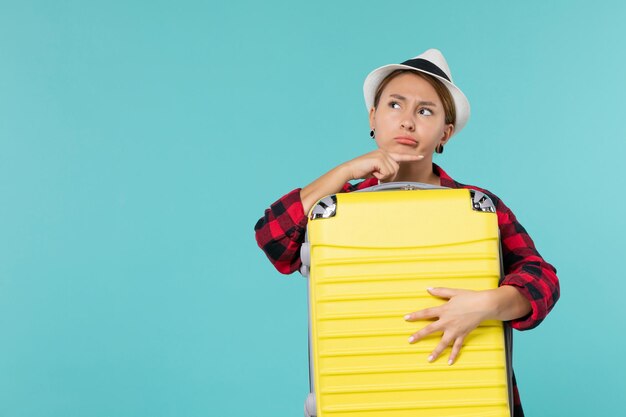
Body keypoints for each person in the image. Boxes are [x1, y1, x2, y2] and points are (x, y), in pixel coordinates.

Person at [254, 48, 560, 416]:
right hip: (363, 398)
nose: (407, 122)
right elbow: (272, 238)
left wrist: (486, 304)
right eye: (395, 105)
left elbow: (543, 280)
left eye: (425, 111)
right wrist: (343, 173)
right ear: (373, 116)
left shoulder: (477, 206)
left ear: (445, 132)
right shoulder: (336, 207)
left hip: (465, 399)